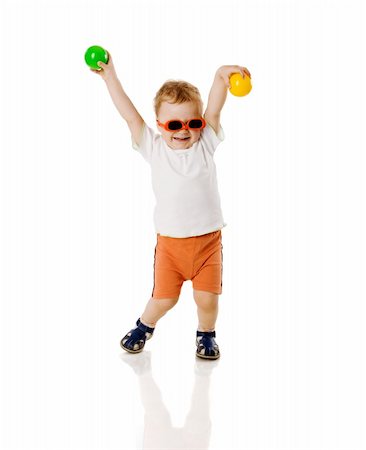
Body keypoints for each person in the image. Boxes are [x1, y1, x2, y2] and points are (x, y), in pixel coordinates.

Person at [90, 52, 250, 360]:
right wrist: (110, 77)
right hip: (171, 247)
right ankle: (144, 326)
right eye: (174, 123)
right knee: (164, 299)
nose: (183, 130)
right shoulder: (153, 147)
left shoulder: (205, 142)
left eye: (193, 122)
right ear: (161, 125)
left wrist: (221, 77)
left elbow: (215, 109)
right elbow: (130, 115)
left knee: (207, 299)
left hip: (208, 243)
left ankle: (206, 335)